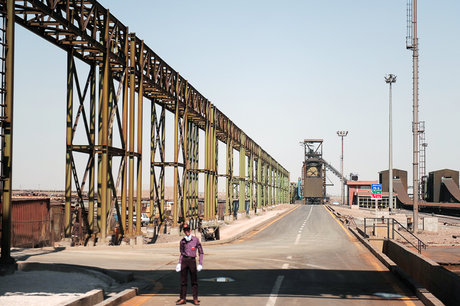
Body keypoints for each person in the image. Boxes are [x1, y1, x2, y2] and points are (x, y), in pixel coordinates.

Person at [176, 223, 204, 305]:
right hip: (184, 261)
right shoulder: (182, 241)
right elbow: (181, 253)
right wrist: (179, 263)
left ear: (190, 230)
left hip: (192, 261)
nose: (187, 231)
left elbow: (201, 252)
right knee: (183, 281)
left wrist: (200, 263)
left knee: (194, 281)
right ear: (183, 231)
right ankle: (183, 298)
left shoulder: (195, 240)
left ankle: (195, 299)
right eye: (185, 230)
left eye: (188, 230)